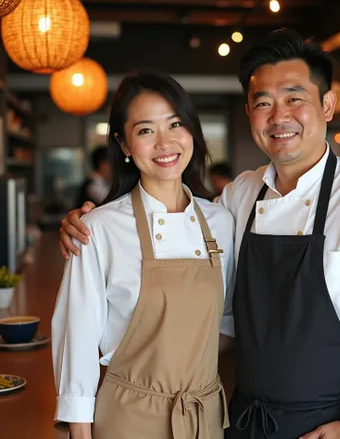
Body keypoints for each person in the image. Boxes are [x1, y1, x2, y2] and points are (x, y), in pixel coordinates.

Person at [58, 29, 340, 439]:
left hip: (331, 427)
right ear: (249, 113)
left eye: (294, 99)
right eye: (262, 103)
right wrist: (88, 221)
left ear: (327, 105)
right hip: (241, 420)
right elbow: (174, 226)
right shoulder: (237, 198)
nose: (278, 116)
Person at [52, 70, 235, 439]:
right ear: (123, 144)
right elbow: (78, 340)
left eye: (175, 124)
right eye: (146, 130)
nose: (165, 143)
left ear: (192, 132)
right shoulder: (99, 228)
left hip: (203, 416)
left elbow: (225, 320)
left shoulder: (222, 221)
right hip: (128, 418)